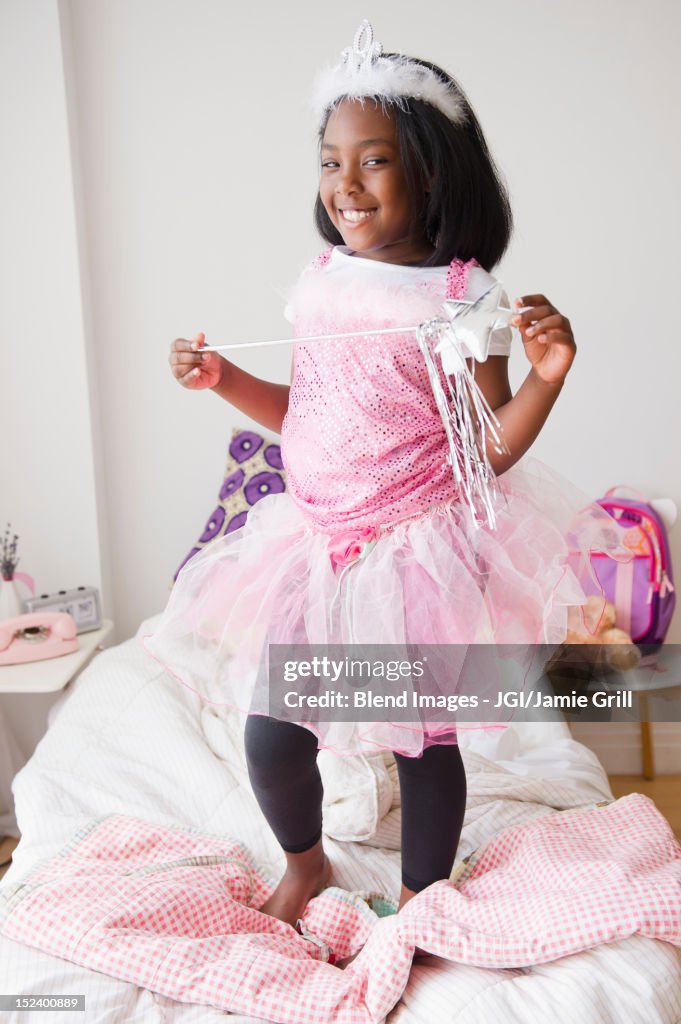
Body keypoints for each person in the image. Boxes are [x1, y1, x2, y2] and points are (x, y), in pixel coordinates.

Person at [143, 22, 626, 959]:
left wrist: (547, 375)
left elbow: (486, 450)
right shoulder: (321, 280)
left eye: (373, 162)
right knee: (274, 734)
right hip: (315, 544)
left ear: (432, 174)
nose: (345, 185)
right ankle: (304, 862)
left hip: (410, 552)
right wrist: (223, 382)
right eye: (330, 162)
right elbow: (307, 411)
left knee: (421, 739)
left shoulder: (461, 295)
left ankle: (417, 898)